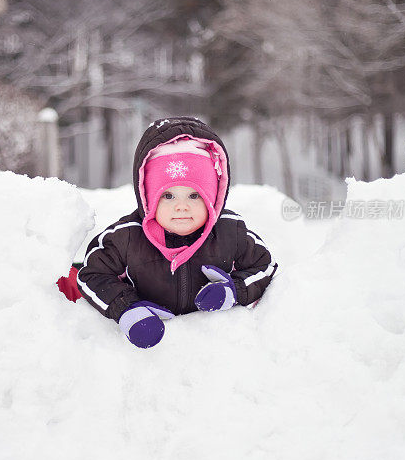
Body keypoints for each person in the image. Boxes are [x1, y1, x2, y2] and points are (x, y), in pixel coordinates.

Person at [57, 116, 278, 348]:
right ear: (148, 197)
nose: (181, 206)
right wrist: (128, 309)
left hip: (210, 350)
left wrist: (234, 291)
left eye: (194, 195)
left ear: (213, 197)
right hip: (150, 359)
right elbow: (92, 275)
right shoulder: (127, 237)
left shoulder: (230, 232)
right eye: (168, 195)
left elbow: (265, 266)